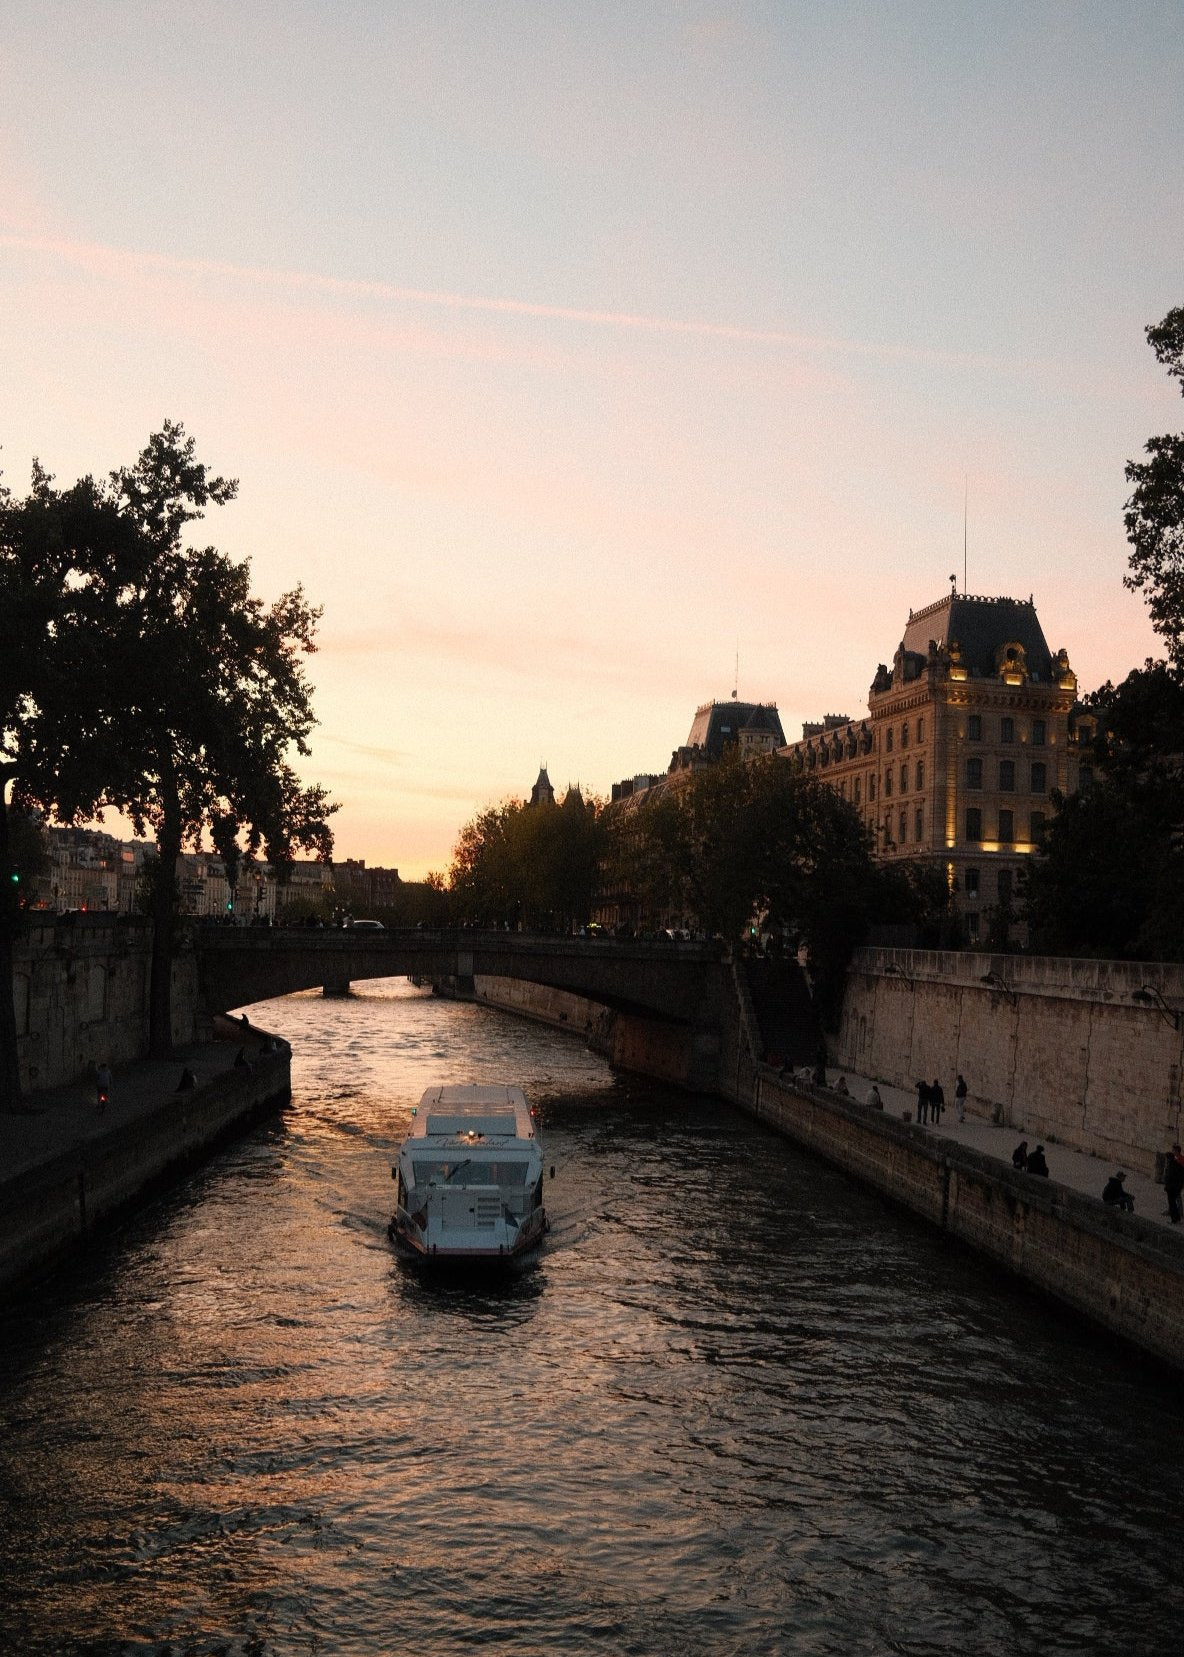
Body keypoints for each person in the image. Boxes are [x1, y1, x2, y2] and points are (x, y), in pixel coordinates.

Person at [1163, 1143, 1184, 1225]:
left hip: (1175, 1185)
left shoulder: (1179, 1161)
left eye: (1173, 1150)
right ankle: (1174, 1213)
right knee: (1173, 1200)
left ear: (1176, 1151)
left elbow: (1176, 1175)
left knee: (1175, 1199)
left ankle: (1178, 1215)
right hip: (1174, 1185)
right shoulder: (1175, 1160)